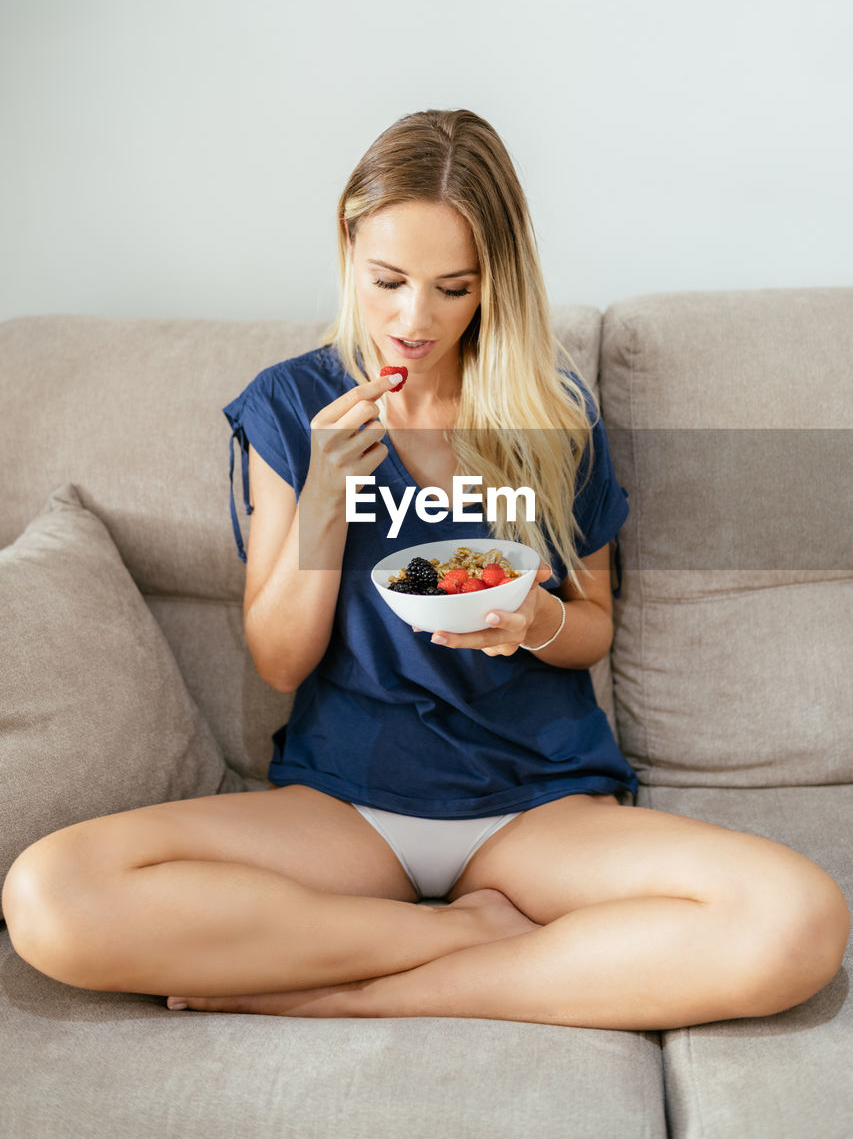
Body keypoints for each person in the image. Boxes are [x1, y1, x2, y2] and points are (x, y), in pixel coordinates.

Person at [3, 110, 847, 1031]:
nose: (415, 319)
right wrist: (323, 500)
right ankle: (462, 938)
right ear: (347, 246)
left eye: (453, 287)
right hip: (348, 801)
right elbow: (280, 664)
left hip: (537, 800)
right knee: (52, 895)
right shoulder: (295, 406)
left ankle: (354, 995)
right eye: (388, 281)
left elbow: (592, 619)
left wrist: (534, 623)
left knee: (795, 917)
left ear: (496, 280)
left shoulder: (553, 411)